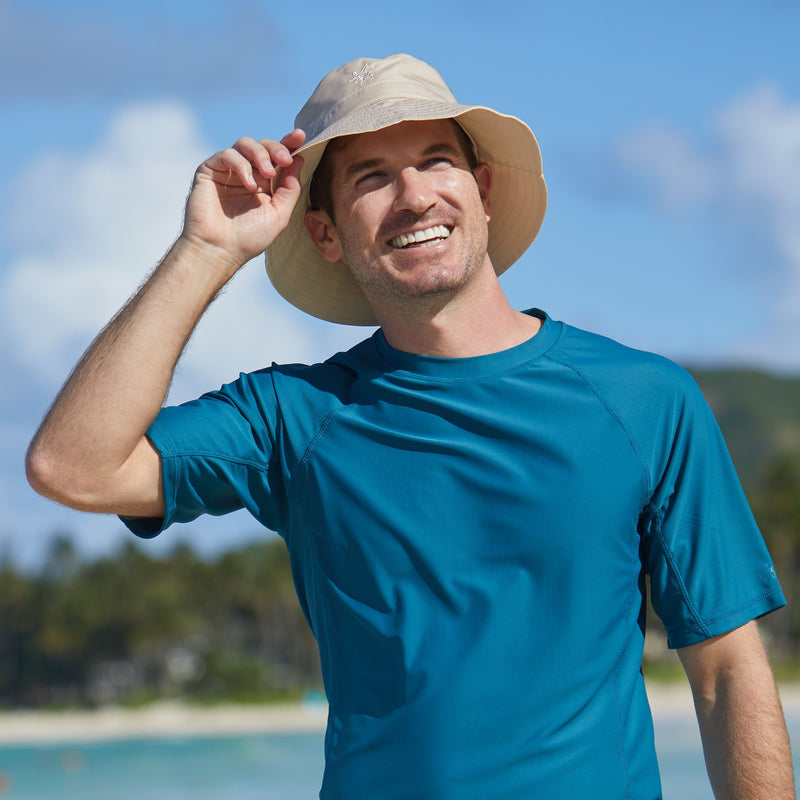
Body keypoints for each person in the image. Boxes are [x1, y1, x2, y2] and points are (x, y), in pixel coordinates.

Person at [26, 53, 794, 799]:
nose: (416, 196)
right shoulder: (295, 418)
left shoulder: (644, 399)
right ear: (325, 234)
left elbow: (727, 672)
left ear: (483, 188)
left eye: (436, 160)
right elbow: (74, 467)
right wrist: (205, 251)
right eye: (371, 177)